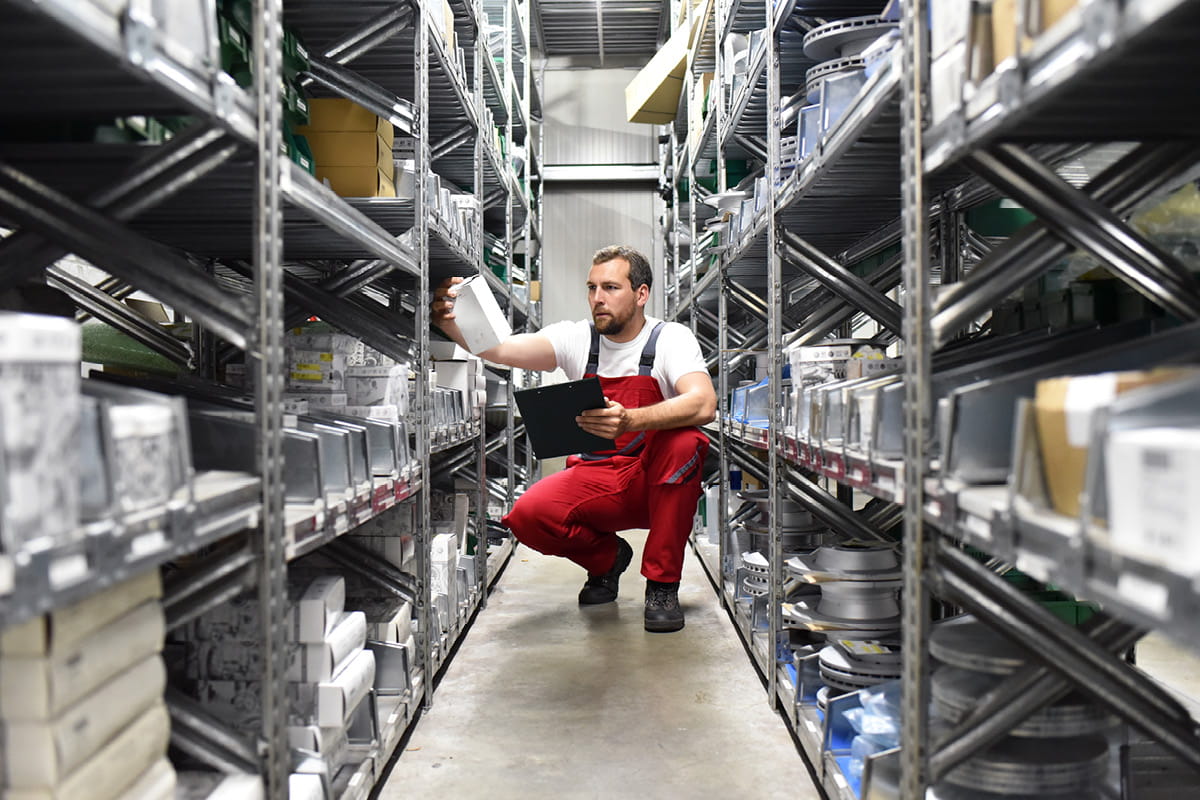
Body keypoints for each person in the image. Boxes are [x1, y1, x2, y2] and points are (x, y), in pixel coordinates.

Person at [431, 245, 717, 632]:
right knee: (528, 517)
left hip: (653, 480)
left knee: (684, 442)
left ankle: (662, 585)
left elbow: (704, 403)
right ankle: (608, 560)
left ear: (641, 294)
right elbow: (500, 349)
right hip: (598, 476)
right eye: (592, 288)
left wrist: (631, 420)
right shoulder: (577, 338)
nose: (598, 298)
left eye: (611, 287)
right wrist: (452, 322)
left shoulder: (670, 339)